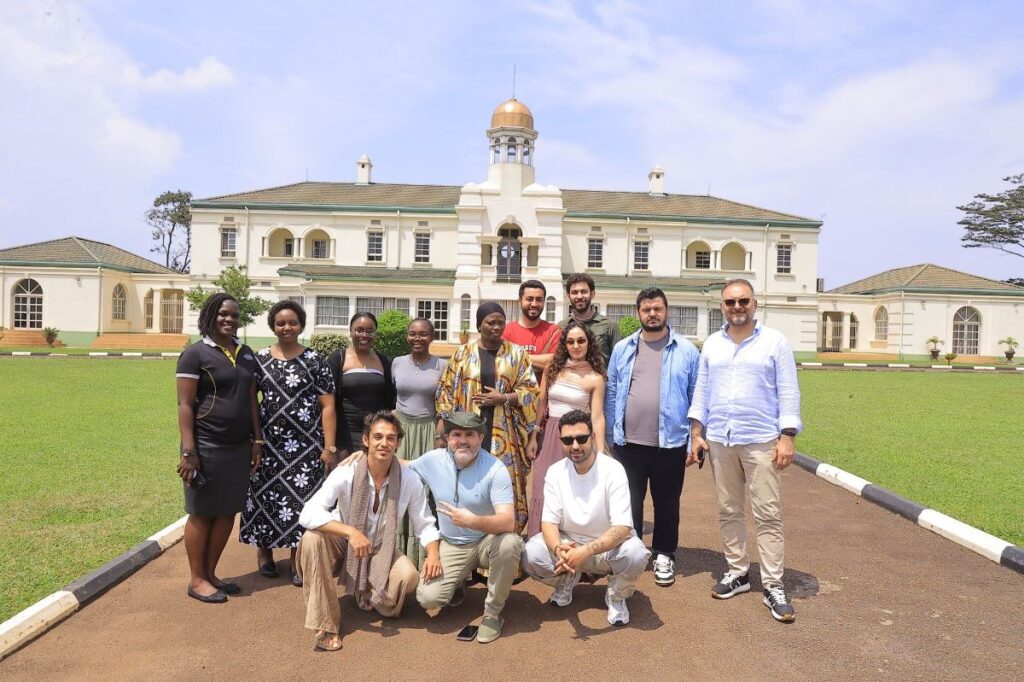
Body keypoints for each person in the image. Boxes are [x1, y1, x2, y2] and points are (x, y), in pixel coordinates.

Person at [687, 278, 802, 623]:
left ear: (755, 304)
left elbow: (789, 390)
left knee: (767, 512)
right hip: (721, 438)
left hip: (761, 439)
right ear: (722, 306)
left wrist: (788, 436)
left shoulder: (774, 342)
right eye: (730, 302)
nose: (737, 308)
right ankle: (737, 572)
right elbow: (702, 391)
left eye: (743, 302)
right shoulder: (712, 344)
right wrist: (696, 432)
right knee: (728, 508)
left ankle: (772, 584)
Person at [296, 411, 442, 651]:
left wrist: (433, 554)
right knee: (313, 538)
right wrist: (351, 533)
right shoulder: (347, 472)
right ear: (366, 440)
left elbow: (424, 523)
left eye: (391, 438)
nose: (384, 443)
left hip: (379, 548)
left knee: (408, 577)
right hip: (343, 543)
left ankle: (366, 590)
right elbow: (308, 513)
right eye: (378, 437)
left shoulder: (409, 479)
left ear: (397, 443)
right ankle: (325, 623)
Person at [604, 287, 699, 588]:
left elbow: (696, 395)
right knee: (629, 502)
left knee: (667, 502)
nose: (652, 314)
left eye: (657, 308)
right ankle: (630, 552)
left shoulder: (686, 350)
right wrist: (609, 435)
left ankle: (663, 554)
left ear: (666, 311)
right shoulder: (623, 348)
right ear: (638, 313)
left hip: (670, 442)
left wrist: (694, 437)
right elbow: (612, 392)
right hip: (629, 442)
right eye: (646, 309)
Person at [521, 409, 650, 626]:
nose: (575, 446)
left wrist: (586, 551)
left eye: (581, 438)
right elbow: (548, 523)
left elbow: (622, 528)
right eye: (567, 440)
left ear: (593, 437)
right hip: (570, 543)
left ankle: (617, 595)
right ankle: (567, 580)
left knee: (636, 554)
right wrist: (557, 550)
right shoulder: (554, 471)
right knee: (530, 553)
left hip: (608, 547)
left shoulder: (613, 470)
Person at [240, 300, 337, 585]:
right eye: (281, 323)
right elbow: (249, 401)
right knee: (264, 499)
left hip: (306, 446)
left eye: (292, 322)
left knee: (302, 502)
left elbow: (328, 405)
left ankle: (298, 560)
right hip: (268, 444)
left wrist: (328, 447)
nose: (287, 328)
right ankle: (264, 553)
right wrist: (254, 439)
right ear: (273, 325)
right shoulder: (259, 359)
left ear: (301, 325)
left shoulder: (314, 360)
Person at [175, 293, 262, 603]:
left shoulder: (246, 353)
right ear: (210, 315)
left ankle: (210, 573)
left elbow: (252, 400)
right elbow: (185, 405)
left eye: (234, 316)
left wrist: (257, 441)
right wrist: (189, 452)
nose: (229, 319)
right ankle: (196, 579)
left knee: (226, 513)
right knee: (201, 512)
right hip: (206, 445)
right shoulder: (195, 355)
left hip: (239, 447)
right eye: (223, 314)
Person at [411, 412, 524, 644]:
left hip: (486, 541)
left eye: (469, 434)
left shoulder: (495, 468)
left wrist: (473, 521)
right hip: (452, 544)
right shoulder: (433, 460)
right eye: (456, 434)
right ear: (447, 439)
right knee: (428, 599)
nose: (462, 440)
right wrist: (361, 458)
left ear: (480, 438)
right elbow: (402, 467)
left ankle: (492, 614)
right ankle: (457, 582)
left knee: (510, 544)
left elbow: (507, 522)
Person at [435, 302, 538, 533]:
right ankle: (469, 548)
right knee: (469, 487)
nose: (496, 327)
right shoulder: (462, 353)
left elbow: (531, 391)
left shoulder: (516, 354)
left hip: (505, 436)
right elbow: (446, 391)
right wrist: (441, 431)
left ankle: (503, 545)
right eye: (491, 322)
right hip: (467, 432)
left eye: (501, 322)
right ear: (479, 325)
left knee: (502, 488)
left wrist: (503, 398)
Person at [525, 320, 606, 539]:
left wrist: (600, 451)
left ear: (589, 343)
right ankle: (539, 544)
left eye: (581, 341)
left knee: (574, 491)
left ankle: (573, 546)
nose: (576, 346)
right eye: (570, 342)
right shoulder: (554, 367)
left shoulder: (596, 377)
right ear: (565, 344)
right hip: (549, 434)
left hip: (576, 438)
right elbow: (541, 402)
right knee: (542, 488)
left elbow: (597, 416)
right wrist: (534, 436)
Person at [391, 317, 448, 567]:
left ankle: (426, 554)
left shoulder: (442, 365)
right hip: (402, 431)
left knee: (427, 490)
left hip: (428, 430)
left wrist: (439, 436)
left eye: (423, 334)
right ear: (407, 336)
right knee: (399, 485)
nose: (417, 338)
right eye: (413, 334)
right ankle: (398, 552)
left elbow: (445, 405)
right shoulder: (396, 363)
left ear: (431, 337)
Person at [328, 312, 396, 456]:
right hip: (345, 436)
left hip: (376, 435)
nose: (364, 335)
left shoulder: (384, 361)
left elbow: (391, 402)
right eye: (359, 330)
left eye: (370, 331)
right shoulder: (338, 358)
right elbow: (329, 403)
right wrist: (331, 445)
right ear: (351, 331)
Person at [558, 273, 621, 366]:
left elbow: (619, 361)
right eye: (575, 292)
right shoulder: (561, 327)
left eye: (584, 291)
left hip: (601, 379)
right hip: (569, 379)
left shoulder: (610, 326)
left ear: (592, 294)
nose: (579, 296)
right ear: (568, 296)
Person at [502, 279, 561, 378]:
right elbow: (503, 364)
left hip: (543, 392)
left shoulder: (554, 331)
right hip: (513, 392)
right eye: (529, 299)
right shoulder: (506, 331)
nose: (534, 304)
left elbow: (556, 362)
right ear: (520, 301)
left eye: (539, 299)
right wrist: (540, 362)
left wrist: (517, 357)